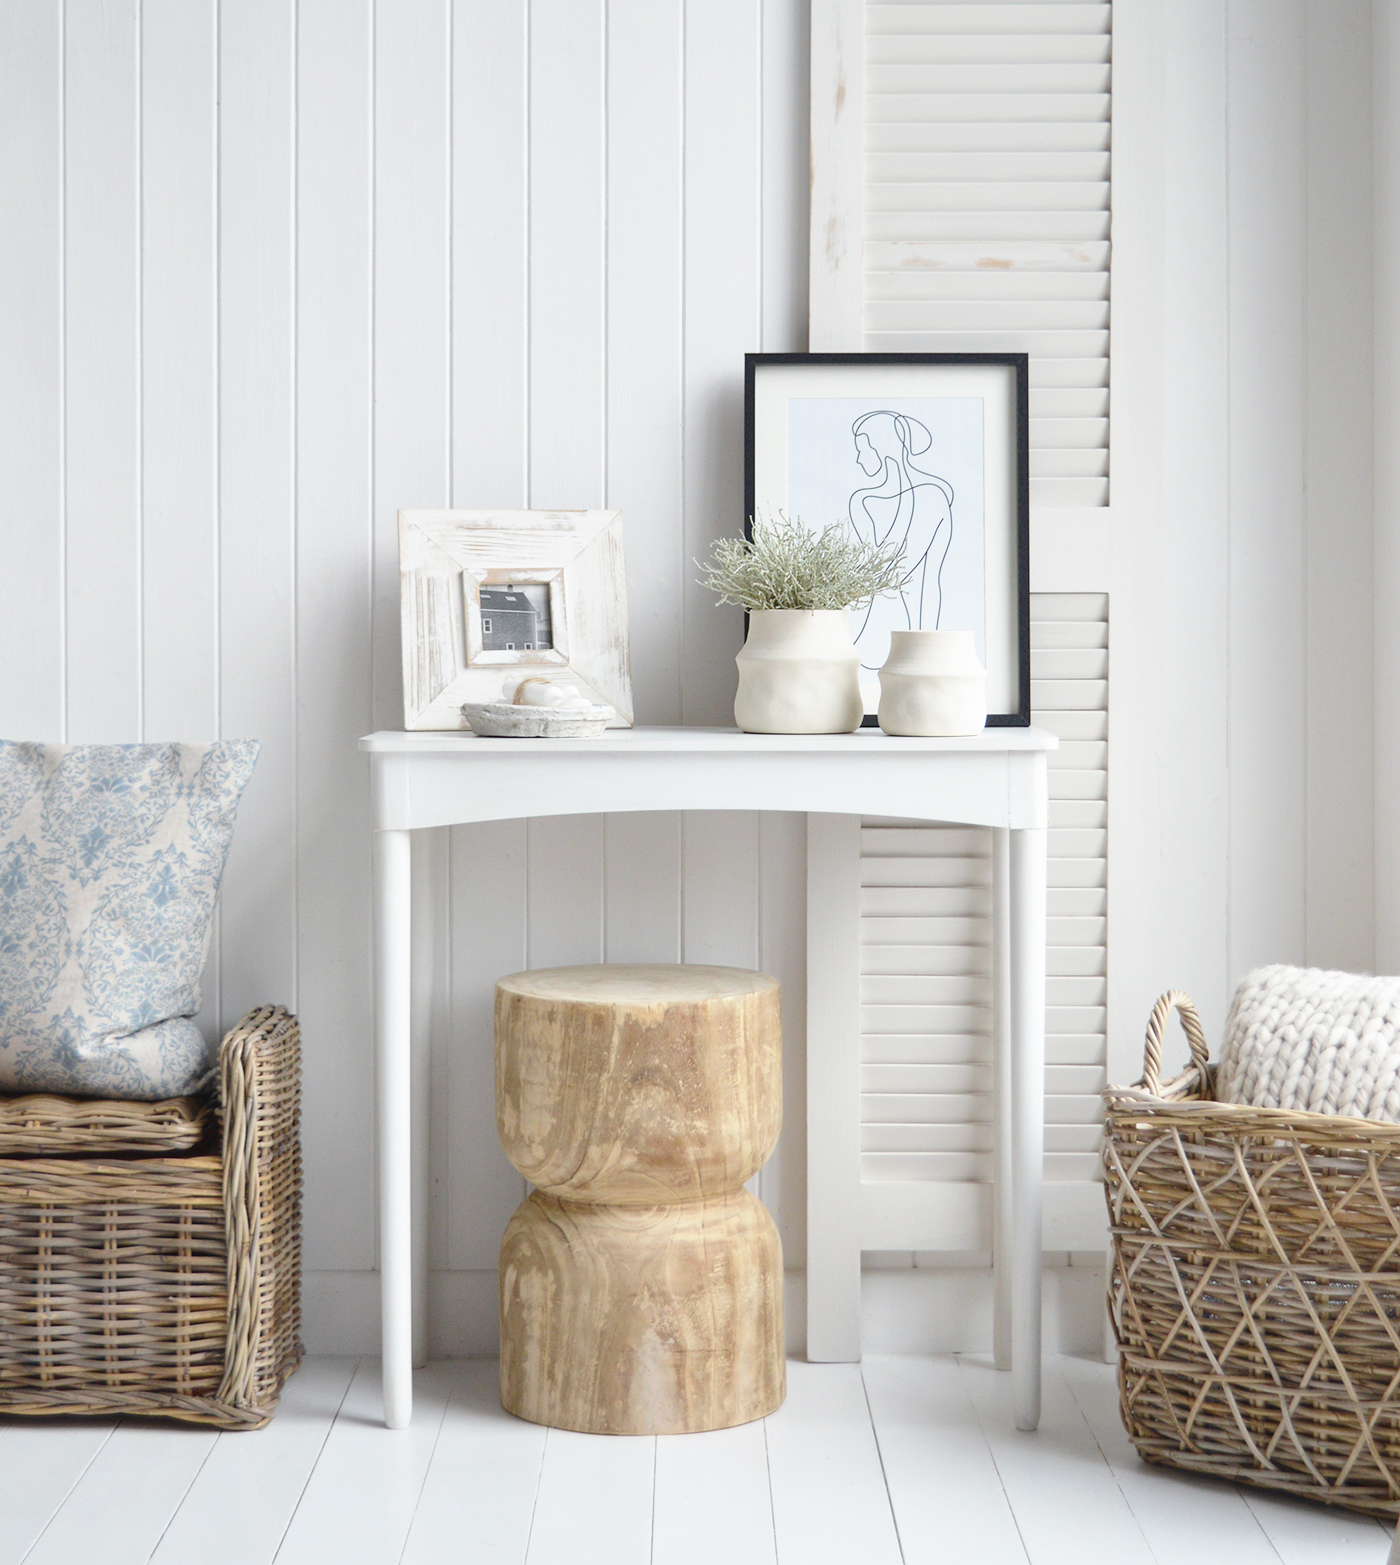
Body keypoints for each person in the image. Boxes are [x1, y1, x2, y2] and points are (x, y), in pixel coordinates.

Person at [846, 410, 954, 669]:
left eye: (864, 449)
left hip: (910, 641)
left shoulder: (934, 498)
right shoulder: (862, 501)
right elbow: (875, 573)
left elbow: (923, 579)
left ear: (882, 449)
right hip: (870, 635)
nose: (859, 459)